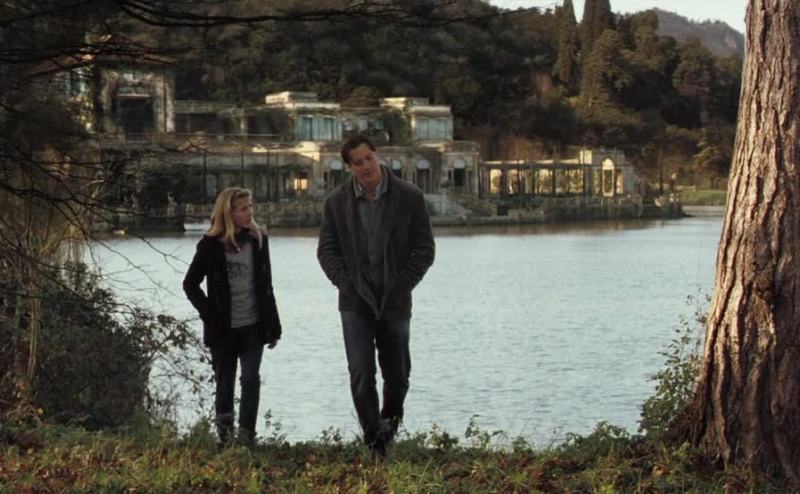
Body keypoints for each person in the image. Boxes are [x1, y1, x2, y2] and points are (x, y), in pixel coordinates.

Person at [317, 134, 435, 457]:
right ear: (349, 167)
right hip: (355, 302)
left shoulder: (409, 197)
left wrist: (402, 285)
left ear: (376, 155)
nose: (366, 166)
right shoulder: (336, 203)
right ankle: (375, 444)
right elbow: (326, 252)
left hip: (395, 300)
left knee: (397, 376)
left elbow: (424, 249)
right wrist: (345, 284)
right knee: (361, 375)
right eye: (358, 162)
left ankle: (388, 430)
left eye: (369, 158)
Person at [183, 187, 281, 446]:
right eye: (243, 209)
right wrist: (209, 314)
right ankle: (225, 440)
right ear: (228, 213)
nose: (249, 213)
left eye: (250, 207)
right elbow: (190, 284)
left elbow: (267, 286)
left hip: (253, 325)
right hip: (223, 329)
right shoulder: (209, 246)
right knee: (224, 383)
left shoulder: (258, 240)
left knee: (250, 379)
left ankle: (247, 437)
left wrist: (274, 326)